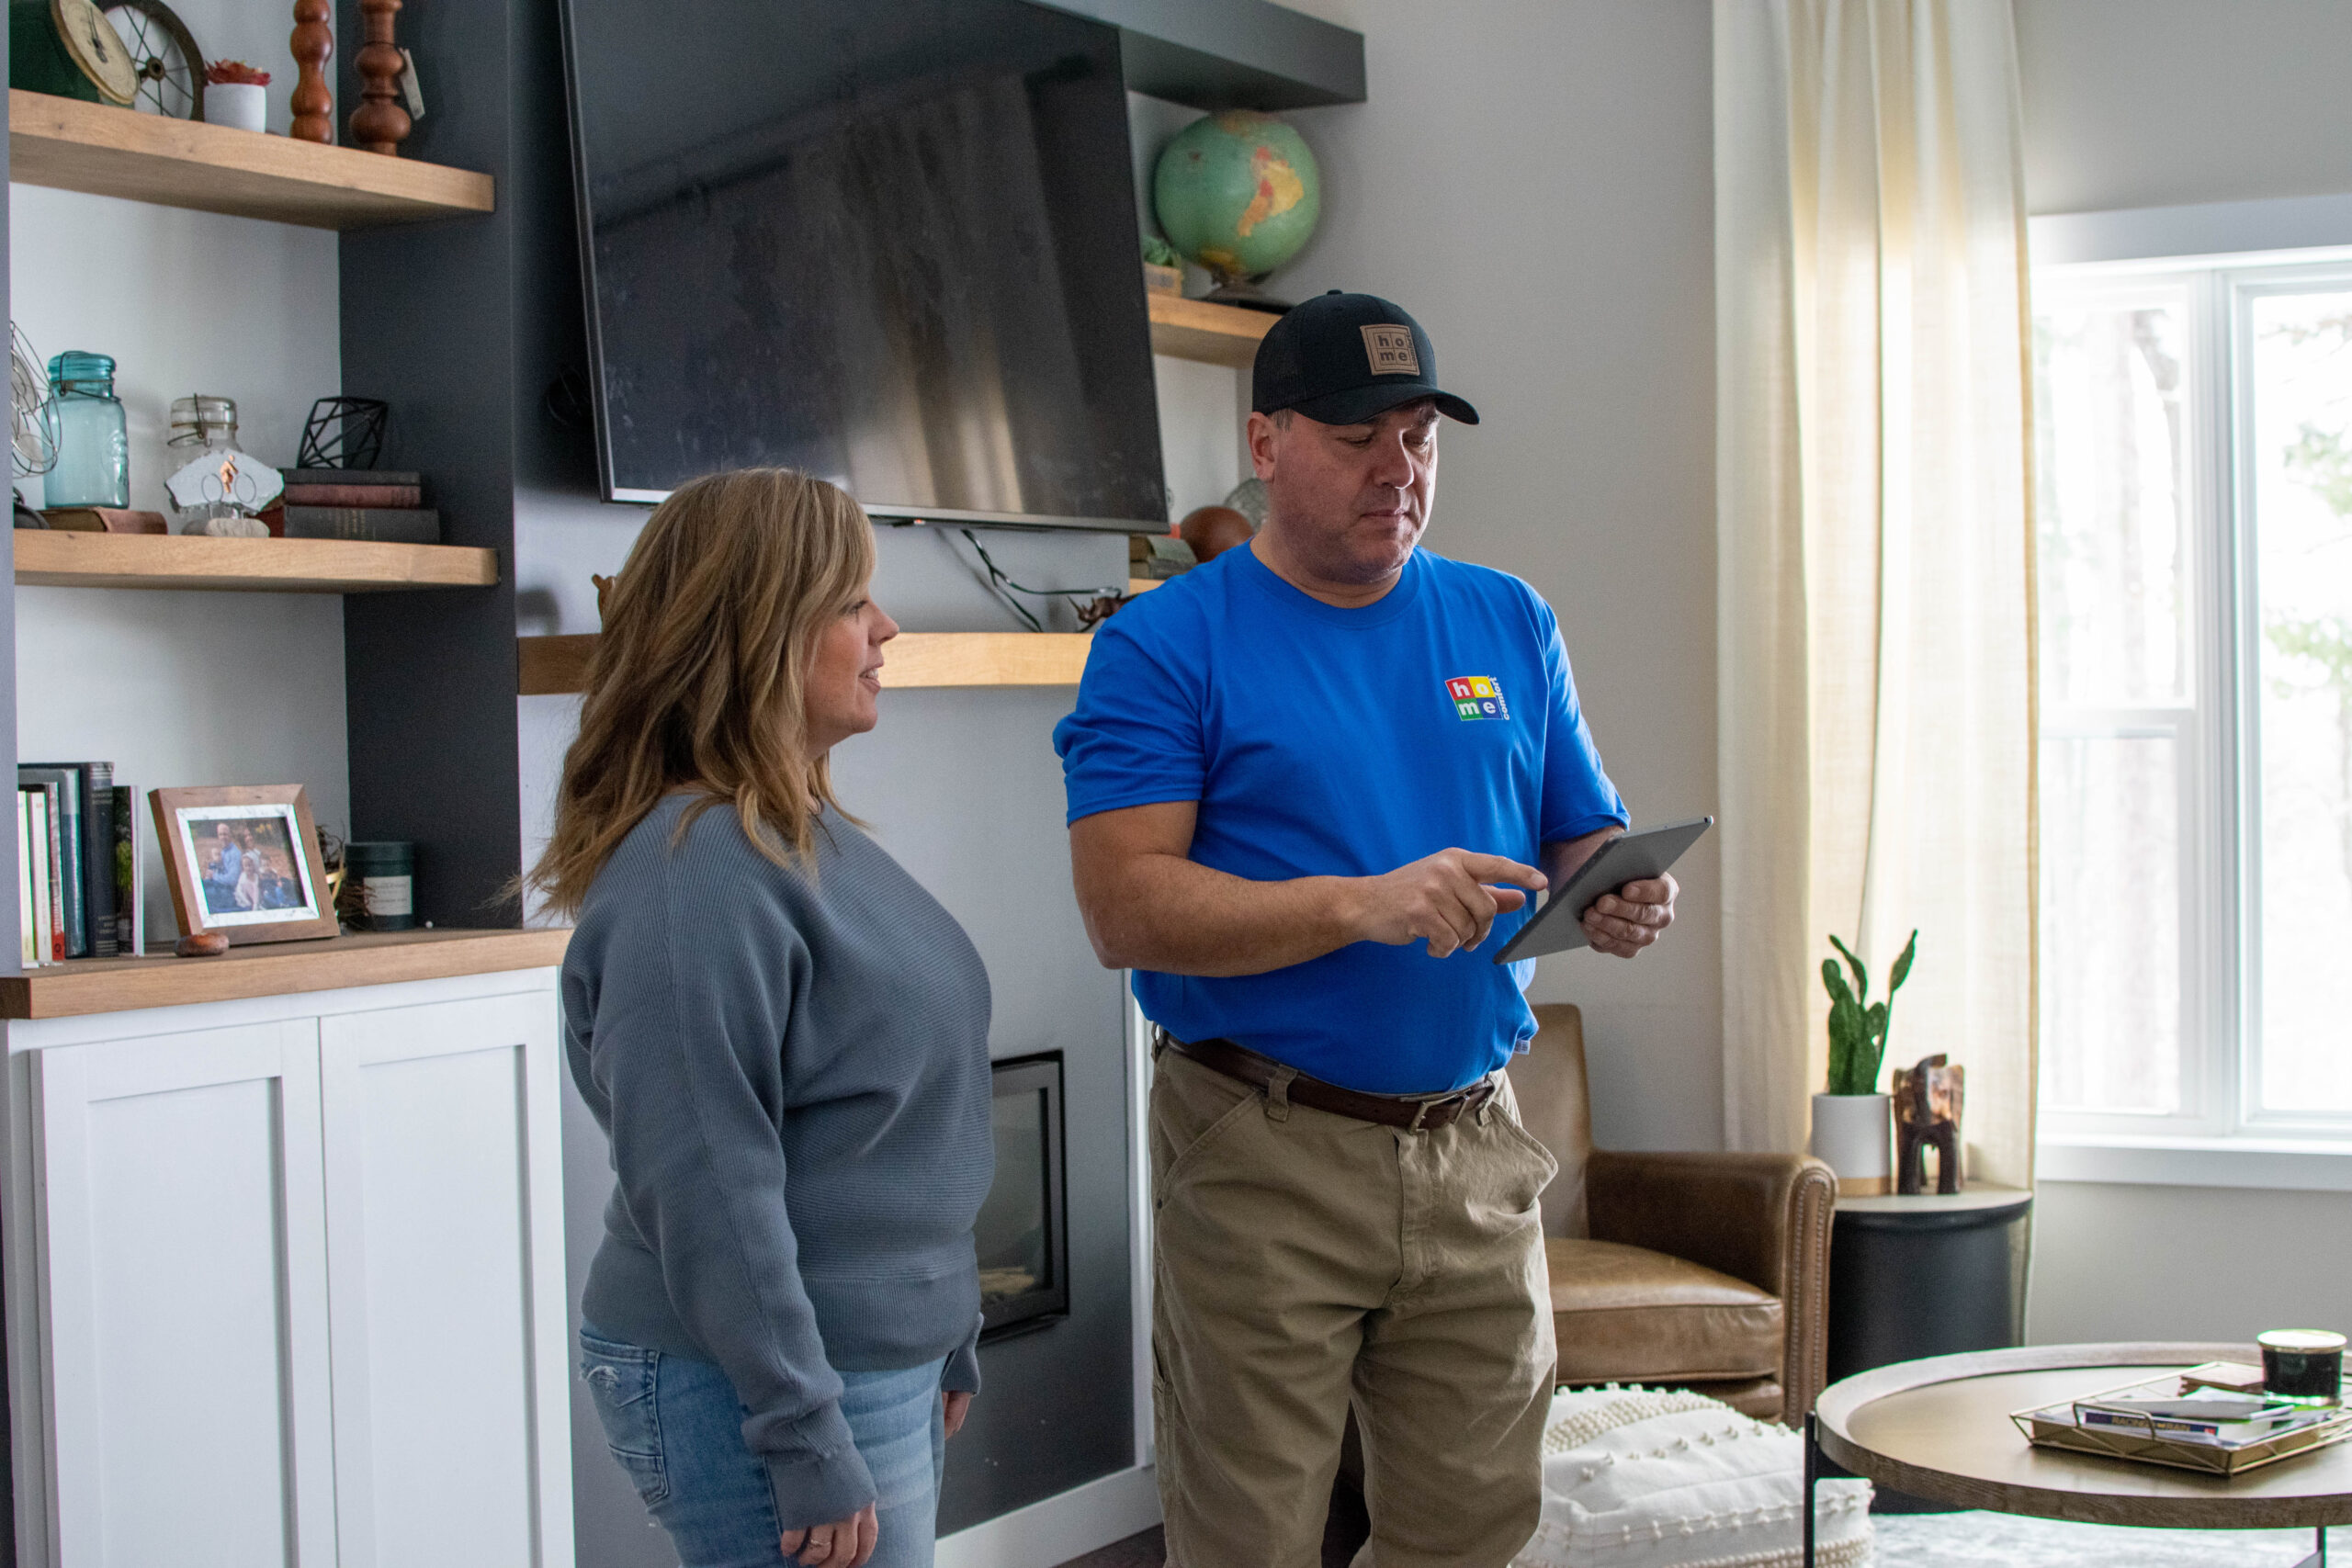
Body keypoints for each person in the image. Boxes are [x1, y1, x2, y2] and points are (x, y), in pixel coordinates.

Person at [1054, 292, 1679, 1568]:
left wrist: (1613, 887)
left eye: (1420, 437)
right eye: (1356, 436)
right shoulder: (1165, 642)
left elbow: (1578, 833)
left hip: (1475, 1144)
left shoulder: (1509, 618)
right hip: (1263, 1147)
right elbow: (1124, 907)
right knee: (1250, 1540)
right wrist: (1364, 901)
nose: (1398, 469)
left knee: (1474, 1531)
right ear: (1268, 442)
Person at [532, 468, 994, 1568]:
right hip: (763, 1380)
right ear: (757, 630)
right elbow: (708, 1182)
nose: (885, 630)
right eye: (850, 604)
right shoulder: (695, 872)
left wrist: (945, 1327)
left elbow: (894, 1123)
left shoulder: (799, 836)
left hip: (868, 1358)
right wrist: (798, 1427)